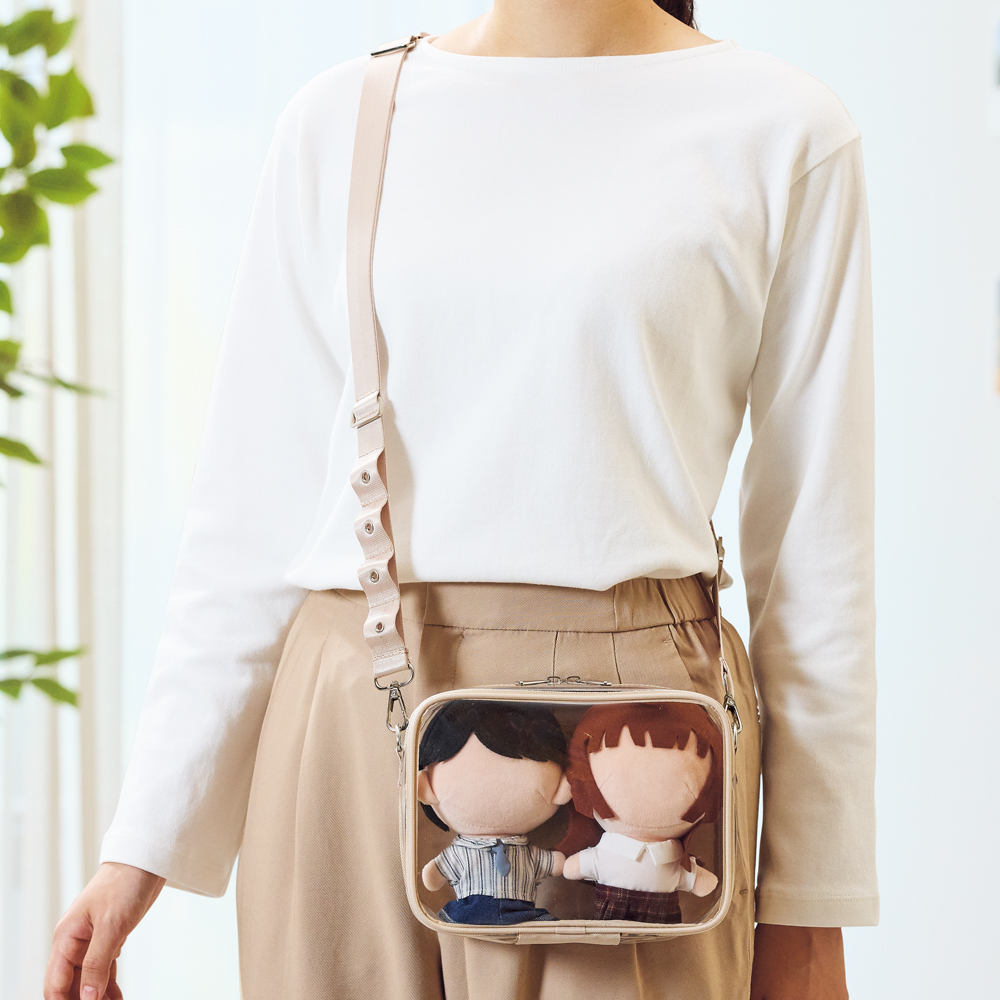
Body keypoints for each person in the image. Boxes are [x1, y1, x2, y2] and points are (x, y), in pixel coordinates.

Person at [43, 2, 877, 999]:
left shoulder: (783, 128)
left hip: (631, 755)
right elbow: (248, 516)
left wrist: (808, 908)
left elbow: (818, 561)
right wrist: (140, 845)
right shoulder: (339, 120)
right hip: (343, 734)